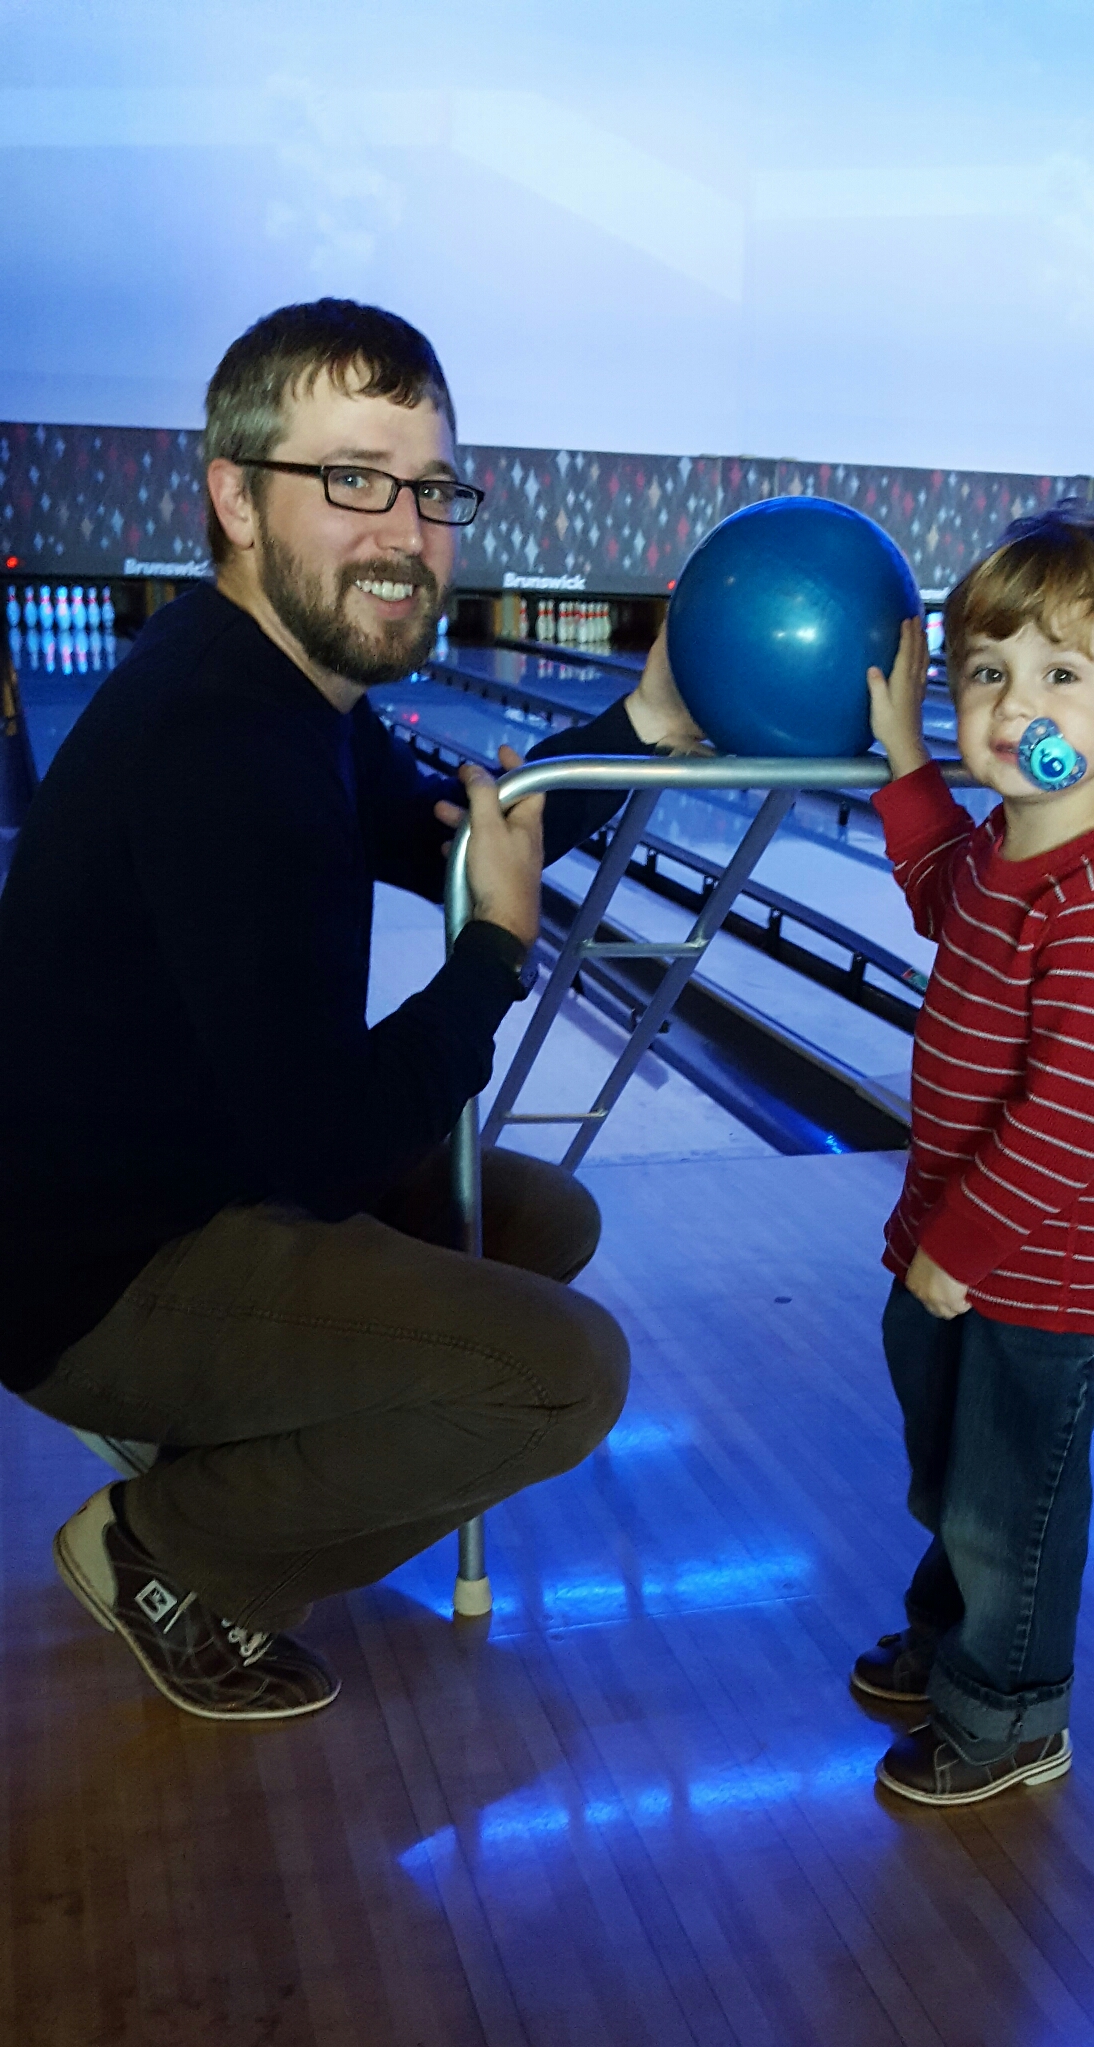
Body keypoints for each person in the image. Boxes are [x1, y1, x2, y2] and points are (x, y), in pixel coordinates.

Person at [0, 298, 700, 1724]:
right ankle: (167, 1551)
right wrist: (492, 953)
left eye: (432, 489)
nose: (406, 531)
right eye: (353, 479)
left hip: (185, 1179)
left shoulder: (284, 689)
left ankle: (224, 1453)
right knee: (561, 1377)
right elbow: (330, 1148)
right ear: (236, 499)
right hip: (86, 1275)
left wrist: (641, 730)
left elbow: (453, 835)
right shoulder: (220, 744)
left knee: (538, 1223)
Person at [854, 508, 1094, 1806]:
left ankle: (1008, 1718)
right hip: (955, 1254)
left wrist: (960, 1250)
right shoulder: (1008, 854)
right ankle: (951, 1640)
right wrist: (903, 750)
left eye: (1060, 673)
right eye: (988, 671)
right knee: (956, 1480)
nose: (1015, 704)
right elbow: (940, 881)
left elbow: (1063, 1123)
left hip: (1040, 1283)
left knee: (1011, 1511)